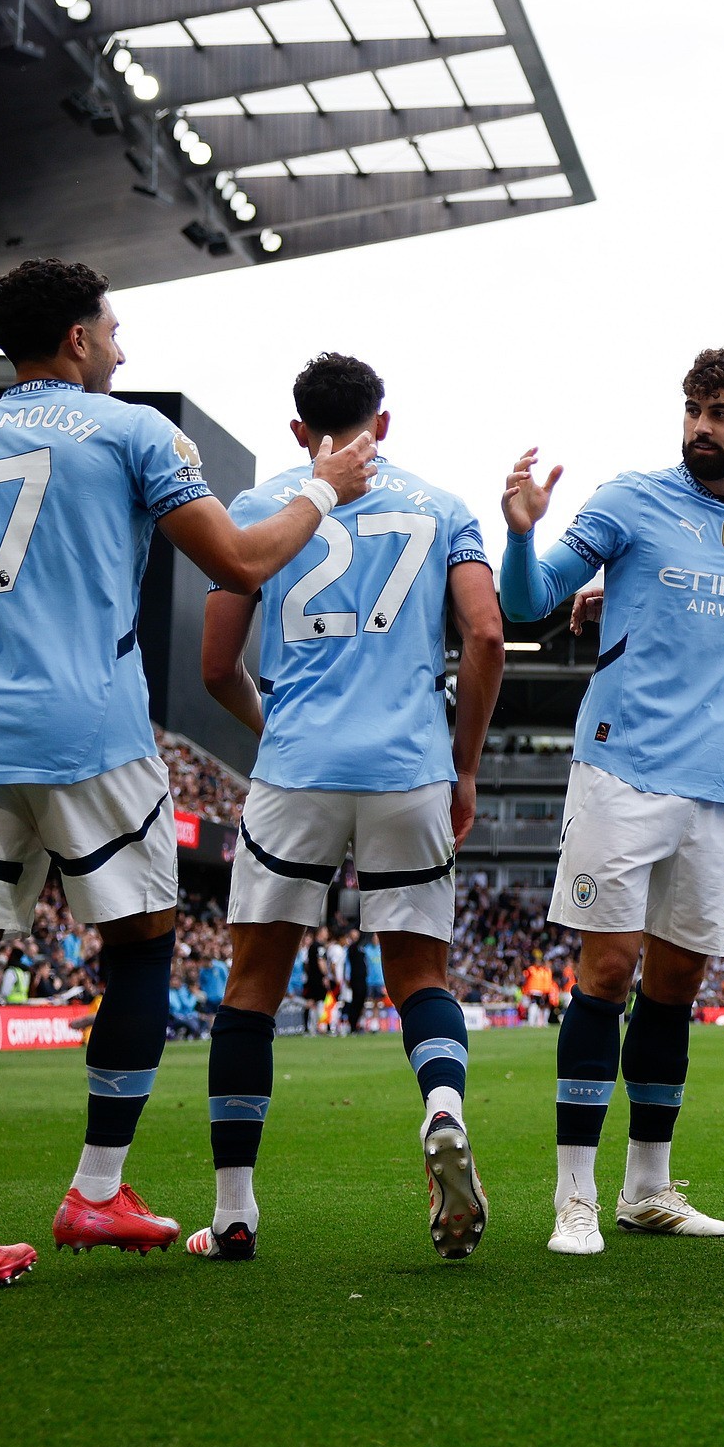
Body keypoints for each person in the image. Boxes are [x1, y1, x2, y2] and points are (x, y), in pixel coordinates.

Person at [0, 256, 375, 1297]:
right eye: (113, 328)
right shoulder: (137, 430)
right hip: (93, 738)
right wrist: (325, 486)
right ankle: (97, 1186)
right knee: (144, 950)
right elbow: (238, 562)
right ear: (79, 340)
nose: (124, 346)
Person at [500, 347, 724, 1255]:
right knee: (606, 974)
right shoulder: (630, 500)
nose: (700, 426)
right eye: (692, 408)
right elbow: (528, 599)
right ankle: (575, 1196)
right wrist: (525, 532)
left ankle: (648, 1187)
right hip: (622, 772)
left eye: (721, 411)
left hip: (719, 791)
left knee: (676, 988)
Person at [187, 352, 503, 1263]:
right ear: (384, 422)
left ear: (298, 432)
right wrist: (465, 767)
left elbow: (215, 666)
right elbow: (485, 634)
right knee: (420, 979)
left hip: (297, 768)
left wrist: (274, 719)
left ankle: (236, 1211)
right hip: (409, 769)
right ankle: (442, 1109)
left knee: (252, 987)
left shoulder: (256, 508)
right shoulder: (443, 506)